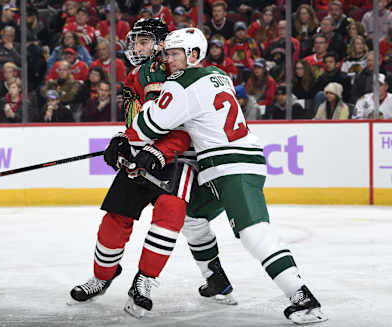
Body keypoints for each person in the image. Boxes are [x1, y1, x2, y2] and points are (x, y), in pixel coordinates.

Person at [130, 27, 327, 325]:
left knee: (253, 231)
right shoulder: (218, 74)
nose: (168, 59)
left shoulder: (181, 84)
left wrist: (127, 133)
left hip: (232, 166)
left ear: (194, 55)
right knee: (192, 217)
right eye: (167, 52)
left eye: (175, 53)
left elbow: (149, 127)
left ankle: (302, 297)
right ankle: (216, 280)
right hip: (220, 167)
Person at [68, 18, 197, 319]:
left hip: (180, 159)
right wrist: (123, 139)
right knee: (116, 217)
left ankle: (145, 280)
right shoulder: (135, 76)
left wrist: (160, 150)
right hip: (140, 157)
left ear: (162, 44)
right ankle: (103, 276)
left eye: (143, 41)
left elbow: (189, 123)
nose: (136, 48)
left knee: (169, 216)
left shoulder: (180, 74)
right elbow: (138, 121)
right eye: (135, 41)